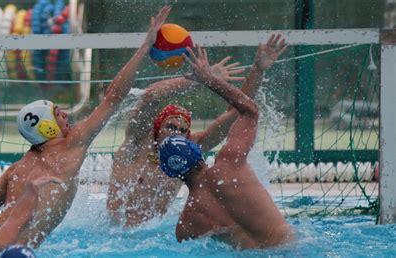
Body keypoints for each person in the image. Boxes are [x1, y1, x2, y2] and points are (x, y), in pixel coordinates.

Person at [0, 6, 172, 247]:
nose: (64, 115)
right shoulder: (71, 145)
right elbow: (113, 97)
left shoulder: (16, 170)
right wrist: (145, 47)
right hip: (13, 249)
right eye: (57, 114)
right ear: (47, 128)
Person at [107, 34, 287, 227]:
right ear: (157, 130)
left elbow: (236, 112)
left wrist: (257, 70)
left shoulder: (188, 152)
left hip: (151, 238)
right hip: (116, 236)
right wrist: (201, 79)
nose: (176, 133)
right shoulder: (136, 144)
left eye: (182, 130)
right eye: (170, 126)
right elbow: (151, 95)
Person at [156, 45, 294, 249]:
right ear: (197, 150)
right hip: (294, 251)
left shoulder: (186, 225)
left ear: (170, 171)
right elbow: (249, 111)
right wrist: (208, 79)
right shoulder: (230, 163)